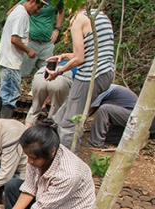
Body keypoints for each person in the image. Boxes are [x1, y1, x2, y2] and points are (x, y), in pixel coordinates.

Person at [2, 121, 95, 209]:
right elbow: (29, 188)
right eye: (27, 156)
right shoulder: (38, 155)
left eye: (34, 158)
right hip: (47, 202)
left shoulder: (69, 173)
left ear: (51, 152)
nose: (29, 161)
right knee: (13, 185)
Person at [46, 6, 114, 150]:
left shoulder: (78, 19)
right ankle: (51, 144)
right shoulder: (100, 16)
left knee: (69, 122)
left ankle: (66, 161)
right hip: (105, 73)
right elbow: (90, 53)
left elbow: (79, 59)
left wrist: (58, 72)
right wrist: (65, 56)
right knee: (63, 114)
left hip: (90, 75)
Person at [0, 0, 47, 119]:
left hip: (7, 59)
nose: (37, 11)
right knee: (11, 94)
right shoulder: (22, 14)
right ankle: (4, 124)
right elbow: (15, 39)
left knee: (4, 93)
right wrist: (28, 50)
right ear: (32, 1)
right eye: (37, 7)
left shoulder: (17, 11)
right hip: (11, 61)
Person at [88, 84, 155, 148]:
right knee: (108, 136)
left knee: (104, 109)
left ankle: (95, 143)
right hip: (125, 115)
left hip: (136, 116)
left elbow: (91, 110)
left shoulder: (102, 89)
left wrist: (80, 121)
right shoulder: (106, 87)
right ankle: (139, 140)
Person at [18, 0, 65, 78]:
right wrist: (23, 31)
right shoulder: (31, 1)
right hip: (31, 41)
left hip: (48, 42)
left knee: (45, 74)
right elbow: (16, 11)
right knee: (22, 73)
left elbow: (61, 10)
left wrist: (57, 29)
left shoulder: (57, 1)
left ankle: (37, 89)